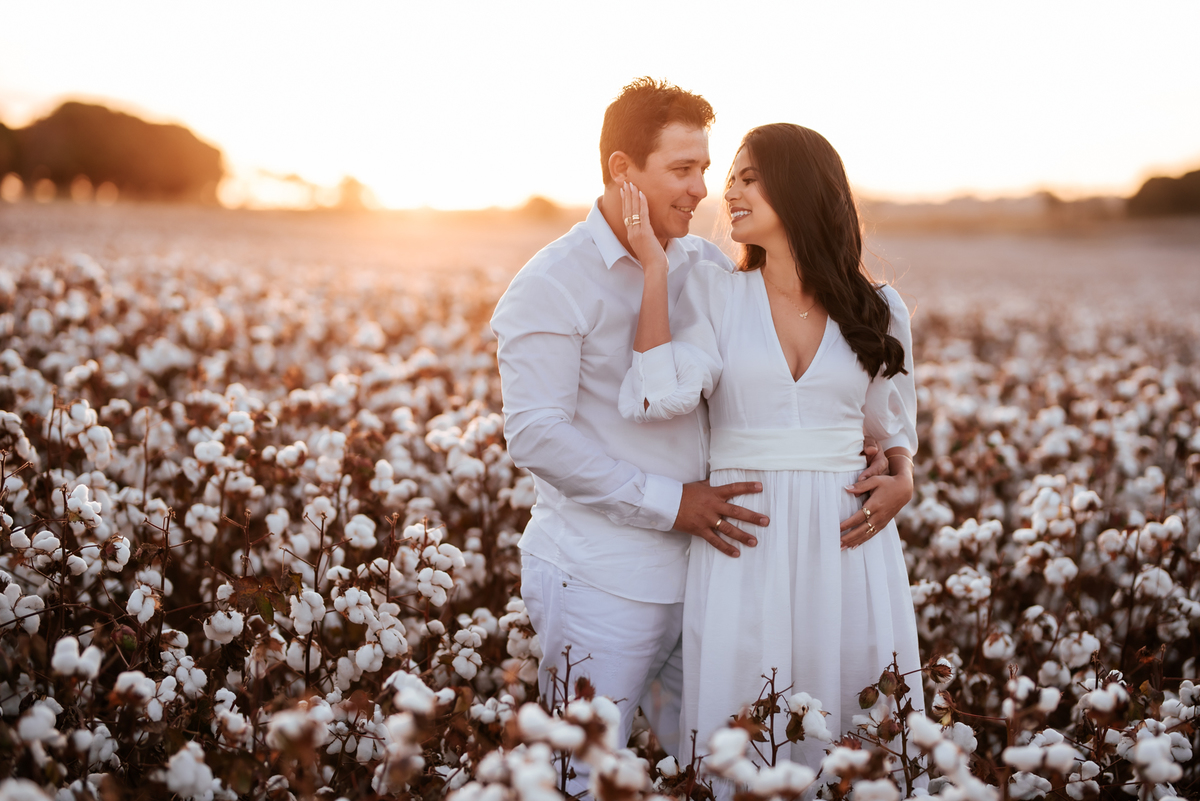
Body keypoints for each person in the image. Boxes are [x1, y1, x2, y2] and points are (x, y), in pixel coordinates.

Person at [491, 81, 902, 795]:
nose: (702, 190)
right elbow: (537, 435)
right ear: (625, 171)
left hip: (722, 570)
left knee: (728, 765)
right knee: (583, 775)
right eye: (684, 170)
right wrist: (671, 501)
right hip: (603, 576)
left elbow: (787, 388)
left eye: (708, 170)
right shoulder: (549, 285)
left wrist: (883, 456)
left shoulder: (707, 266)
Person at [616, 122, 922, 787]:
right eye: (731, 178)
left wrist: (904, 476)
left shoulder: (880, 307)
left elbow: (890, 424)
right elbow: (655, 393)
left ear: (801, 188)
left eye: (748, 177)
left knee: (853, 714)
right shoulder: (718, 293)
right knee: (744, 722)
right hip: (744, 544)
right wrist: (653, 269)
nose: (728, 191)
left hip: (848, 544)